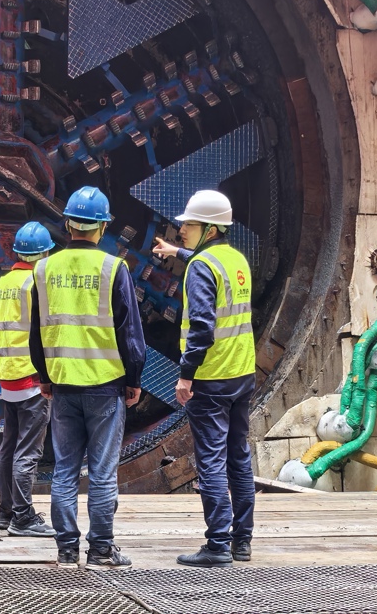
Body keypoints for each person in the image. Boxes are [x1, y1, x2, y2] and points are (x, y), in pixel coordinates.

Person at [29, 186, 145, 571]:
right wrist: (134, 379)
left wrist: (45, 377)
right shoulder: (114, 268)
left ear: (67, 224)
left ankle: (65, 549)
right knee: (101, 473)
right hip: (105, 385)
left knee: (63, 470)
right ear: (102, 228)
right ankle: (101, 550)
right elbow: (130, 333)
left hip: (62, 387)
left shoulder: (43, 270)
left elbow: (37, 332)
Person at [153, 190, 255, 568]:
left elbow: (201, 326)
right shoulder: (234, 259)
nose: (182, 229)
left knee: (210, 461)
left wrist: (185, 376)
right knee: (238, 458)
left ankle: (216, 545)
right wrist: (174, 252)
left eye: (190, 224)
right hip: (241, 373)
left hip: (210, 377)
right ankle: (241, 541)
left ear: (210, 229)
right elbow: (206, 267)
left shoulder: (200, 267)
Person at [0, 222, 56, 538]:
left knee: (8, 447)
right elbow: (47, 333)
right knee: (28, 451)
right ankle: (24, 517)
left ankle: (5, 512)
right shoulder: (39, 284)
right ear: (42, 253)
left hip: (7, 377)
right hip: (32, 379)